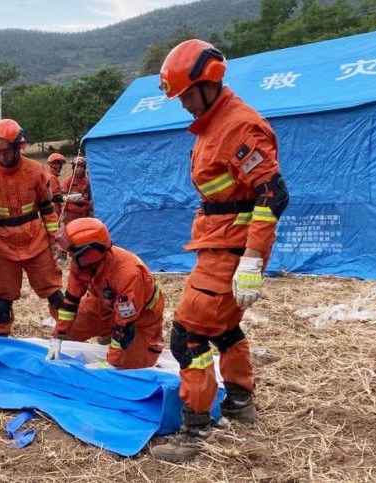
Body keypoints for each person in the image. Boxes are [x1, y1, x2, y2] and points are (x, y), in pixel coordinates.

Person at [149, 40, 289, 462]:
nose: (183, 104)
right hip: (218, 242)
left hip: (231, 249)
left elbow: (273, 194)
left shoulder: (239, 127)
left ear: (208, 83)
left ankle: (195, 431)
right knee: (224, 329)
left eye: (187, 94)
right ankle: (240, 401)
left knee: (188, 336)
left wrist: (252, 260)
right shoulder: (212, 125)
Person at [0, 118, 64, 336]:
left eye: (5, 151)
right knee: (2, 304)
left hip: (36, 241)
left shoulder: (35, 171)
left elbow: (47, 209)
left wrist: (54, 240)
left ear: (18, 147)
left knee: (56, 295)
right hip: (4, 245)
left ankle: (68, 334)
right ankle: (1, 339)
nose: (1, 156)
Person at [45, 218, 165, 369]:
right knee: (72, 329)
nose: (69, 256)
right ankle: (107, 332)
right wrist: (58, 336)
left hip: (140, 317)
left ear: (89, 253)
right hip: (103, 304)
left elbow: (125, 325)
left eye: (71, 252)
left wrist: (111, 363)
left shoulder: (128, 275)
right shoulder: (82, 263)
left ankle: (121, 342)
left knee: (130, 368)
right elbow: (71, 301)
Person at [59, 156, 93, 223]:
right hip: (71, 214)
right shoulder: (68, 181)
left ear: (84, 169)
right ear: (73, 168)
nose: (79, 169)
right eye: (77, 167)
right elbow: (62, 198)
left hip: (84, 213)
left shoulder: (88, 182)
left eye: (81, 167)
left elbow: (90, 199)